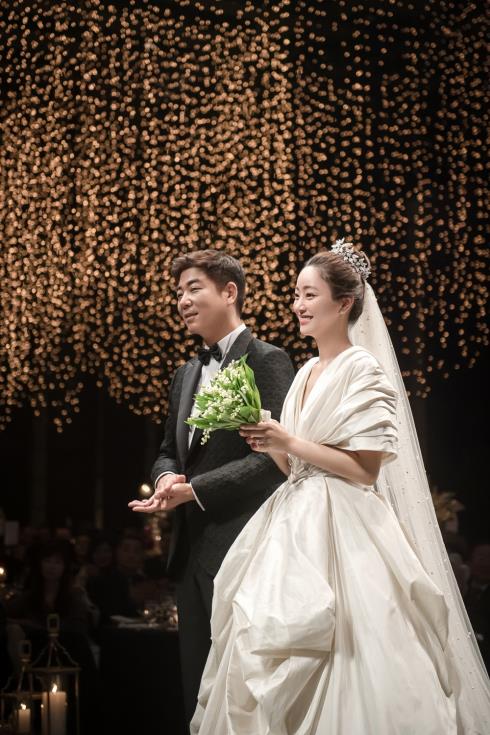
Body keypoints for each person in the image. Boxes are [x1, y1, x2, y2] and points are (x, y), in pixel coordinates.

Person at [190, 240, 490, 734]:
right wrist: (270, 441)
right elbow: (295, 466)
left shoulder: (363, 369)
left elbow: (365, 470)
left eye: (310, 295)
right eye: (296, 295)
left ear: (344, 303)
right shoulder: (306, 371)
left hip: (347, 523)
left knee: (355, 645)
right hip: (292, 519)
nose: (298, 305)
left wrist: (290, 441)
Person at [128, 249, 295, 724]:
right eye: (178, 292)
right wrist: (166, 477)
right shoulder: (185, 374)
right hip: (189, 551)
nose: (182, 300)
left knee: (241, 688)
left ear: (229, 292)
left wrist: (196, 489)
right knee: (197, 690)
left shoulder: (267, 360)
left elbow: (275, 460)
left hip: (244, 545)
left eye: (193, 288)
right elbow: (168, 449)